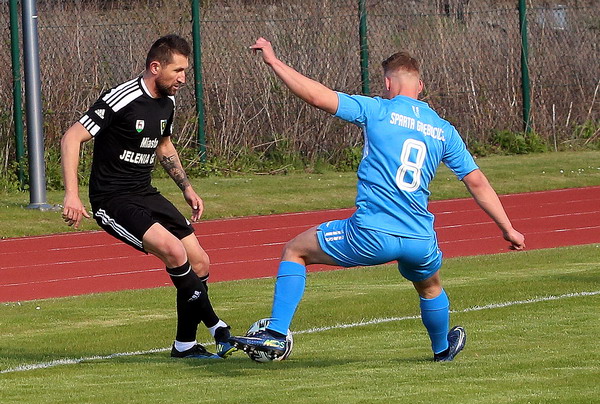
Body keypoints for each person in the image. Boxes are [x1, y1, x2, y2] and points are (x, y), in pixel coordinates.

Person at [230, 38, 525, 362]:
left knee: (295, 250)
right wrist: (508, 229)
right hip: (419, 238)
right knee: (430, 287)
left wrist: (274, 61)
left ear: (387, 83)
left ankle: (275, 334)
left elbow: (317, 96)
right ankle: (442, 350)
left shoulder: (378, 110)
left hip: (371, 233)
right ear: (420, 86)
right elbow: (477, 182)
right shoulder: (443, 130)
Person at [61, 34, 236, 359]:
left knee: (200, 261)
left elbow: (164, 145)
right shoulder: (121, 98)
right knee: (174, 251)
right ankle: (217, 327)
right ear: (156, 67)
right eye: (178, 71)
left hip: (144, 192)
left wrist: (186, 187)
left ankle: (184, 345)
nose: (183, 79)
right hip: (113, 199)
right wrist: (72, 195)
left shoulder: (168, 101)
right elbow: (72, 137)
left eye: (185, 71)